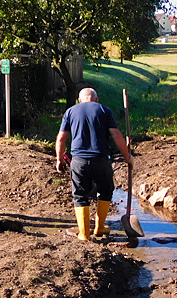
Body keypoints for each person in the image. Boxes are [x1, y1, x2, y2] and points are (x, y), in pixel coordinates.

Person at [55, 88, 134, 241]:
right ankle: (99, 227)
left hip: (79, 161)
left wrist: (60, 159)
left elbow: (61, 139)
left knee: (79, 195)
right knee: (105, 191)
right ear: (96, 100)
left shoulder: (70, 112)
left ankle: (84, 234)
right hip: (101, 160)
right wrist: (127, 156)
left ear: (79, 100)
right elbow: (116, 135)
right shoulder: (104, 110)